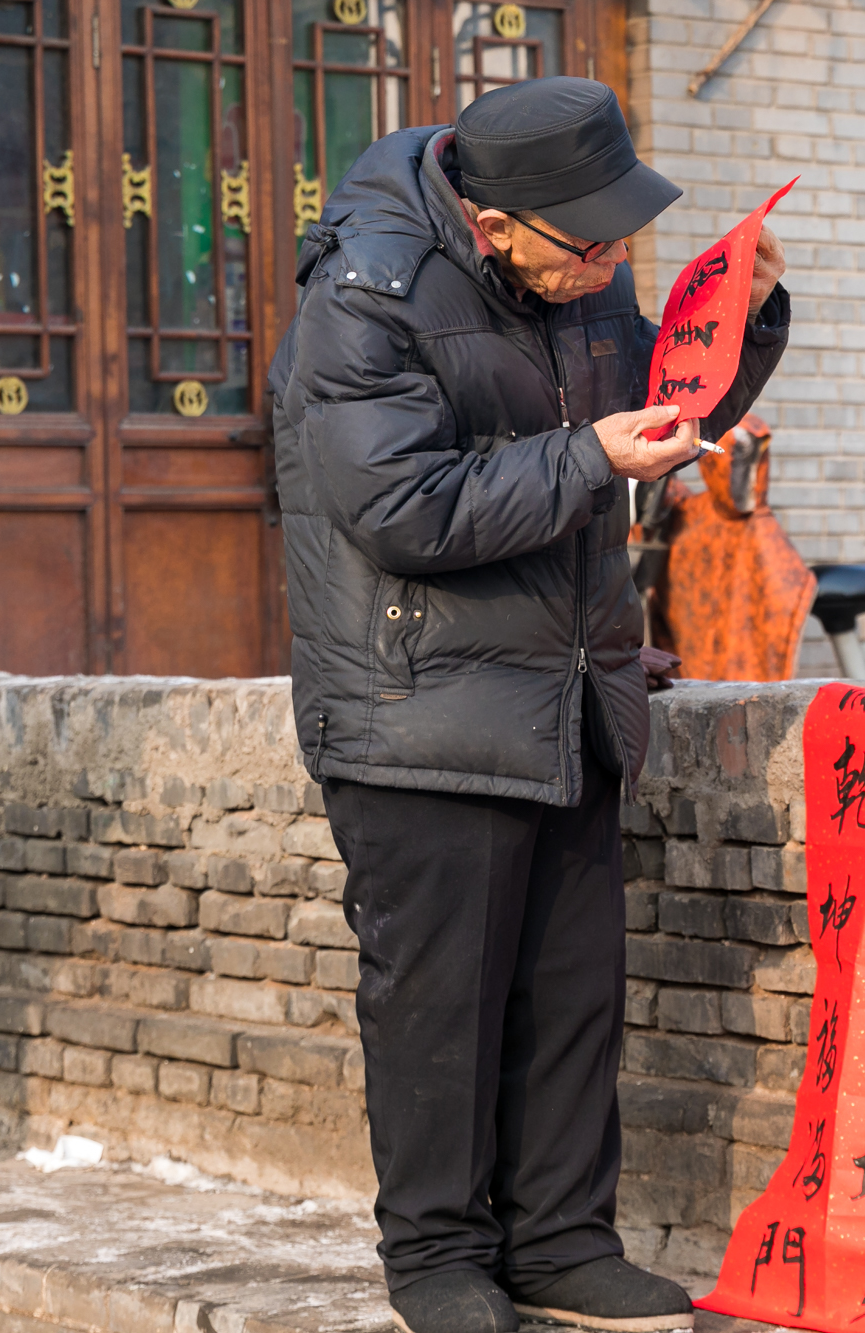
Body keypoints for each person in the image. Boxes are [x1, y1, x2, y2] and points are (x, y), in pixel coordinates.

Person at [267, 77, 788, 1333]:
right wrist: (587, 456)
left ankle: (561, 1240)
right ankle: (436, 1258)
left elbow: (659, 415)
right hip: (418, 708)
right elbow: (400, 510)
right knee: (438, 1006)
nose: (608, 266)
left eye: (620, 241)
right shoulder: (366, 296)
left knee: (570, 996)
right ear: (492, 223)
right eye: (586, 246)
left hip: (567, 692)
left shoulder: (579, 269)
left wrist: (745, 319)